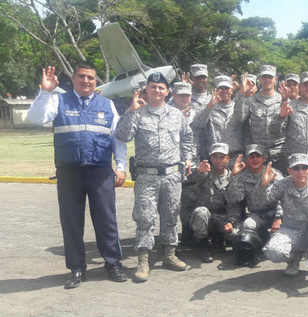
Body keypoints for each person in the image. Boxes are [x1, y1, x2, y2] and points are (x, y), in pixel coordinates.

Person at [27, 64, 128, 288]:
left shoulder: (107, 104)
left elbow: (118, 139)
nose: (86, 81)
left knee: (106, 220)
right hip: (69, 172)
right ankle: (77, 269)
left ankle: (112, 263)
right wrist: (45, 92)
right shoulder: (57, 101)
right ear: (73, 79)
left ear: (95, 81)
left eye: (90, 77)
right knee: (71, 221)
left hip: (100, 171)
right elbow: (35, 118)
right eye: (81, 77)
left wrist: (120, 166)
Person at [114, 72, 195, 282]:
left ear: (167, 92)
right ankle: (143, 260)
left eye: (161, 88)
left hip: (172, 176)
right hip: (146, 177)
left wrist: (188, 159)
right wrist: (131, 110)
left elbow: (187, 139)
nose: (157, 91)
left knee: (171, 215)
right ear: (146, 90)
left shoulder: (177, 115)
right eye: (153, 87)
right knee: (145, 218)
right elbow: (122, 136)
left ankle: (169, 254)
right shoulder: (138, 113)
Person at [255, 153, 308, 285]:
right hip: (291, 229)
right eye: (296, 168)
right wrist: (263, 185)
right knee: (273, 252)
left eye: (304, 167)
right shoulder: (283, 184)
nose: (300, 172)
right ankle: (294, 259)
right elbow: (261, 202)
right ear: (289, 171)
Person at [226, 144, 284, 267]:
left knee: (277, 244)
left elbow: (283, 199)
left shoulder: (274, 174)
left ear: (264, 158)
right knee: (247, 226)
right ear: (246, 159)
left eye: (258, 156)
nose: (254, 159)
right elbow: (235, 199)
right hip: (258, 214)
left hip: (276, 213)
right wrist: (234, 176)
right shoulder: (241, 176)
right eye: (251, 156)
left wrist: (279, 218)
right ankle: (256, 250)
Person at [188, 143, 243, 263]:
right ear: (210, 159)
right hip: (208, 218)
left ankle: (219, 240)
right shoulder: (204, 173)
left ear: (228, 159)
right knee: (200, 212)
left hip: (225, 217)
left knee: (238, 237)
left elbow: (236, 202)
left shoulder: (233, 175)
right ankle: (202, 245)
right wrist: (200, 173)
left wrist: (231, 222)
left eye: (222, 157)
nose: (218, 160)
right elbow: (190, 181)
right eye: (215, 157)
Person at [228, 65, 286, 171]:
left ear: (275, 79)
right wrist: (242, 95)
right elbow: (239, 119)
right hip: (258, 153)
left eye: (270, 77)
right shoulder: (251, 100)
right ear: (259, 79)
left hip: (278, 152)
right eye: (264, 77)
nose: (267, 80)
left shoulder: (282, 99)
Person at [168, 81, 200, 246]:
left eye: (187, 95)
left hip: (192, 161)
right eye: (180, 94)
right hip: (172, 162)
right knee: (173, 203)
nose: (184, 98)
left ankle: (190, 233)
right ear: (173, 95)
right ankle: (171, 241)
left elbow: (206, 133)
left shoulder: (196, 112)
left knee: (191, 198)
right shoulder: (166, 112)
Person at [192, 75, 236, 161]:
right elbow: (198, 124)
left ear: (232, 90)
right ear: (215, 91)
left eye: (226, 88)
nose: (223, 91)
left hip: (234, 155)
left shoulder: (238, 107)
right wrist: (210, 106)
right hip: (215, 157)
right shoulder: (208, 107)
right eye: (220, 88)